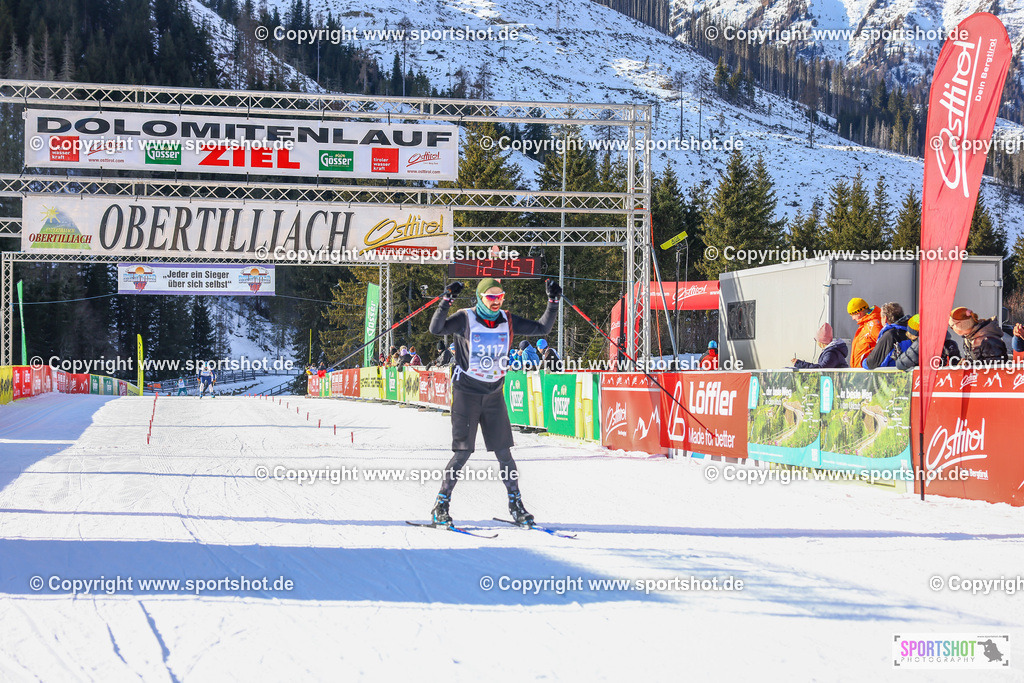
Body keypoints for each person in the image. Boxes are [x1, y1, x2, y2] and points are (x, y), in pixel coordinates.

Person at [427, 277, 560, 527]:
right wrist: (446, 300)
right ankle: (441, 505)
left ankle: (516, 504)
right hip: (467, 393)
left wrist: (553, 302)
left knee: (504, 453)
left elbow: (542, 328)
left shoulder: (508, 320)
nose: (496, 301)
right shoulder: (465, 318)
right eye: (491, 297)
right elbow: (437, 329)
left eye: (500, 296)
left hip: (494, 395)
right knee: (463, 452)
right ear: (480, 297)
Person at [862, 302, 912, 369]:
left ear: (885, 318)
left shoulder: (890, 335)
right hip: (909, 375)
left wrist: (863, 362)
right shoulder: (912, 332)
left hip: (891, 376)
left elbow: (871, 363)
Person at [848, 297, 882, 368]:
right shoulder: (865, 325)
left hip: (868, 373)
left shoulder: (874, 325)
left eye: (852, 315)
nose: (853, 318)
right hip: (861, 372)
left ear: (859, 313)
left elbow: (884, 346)